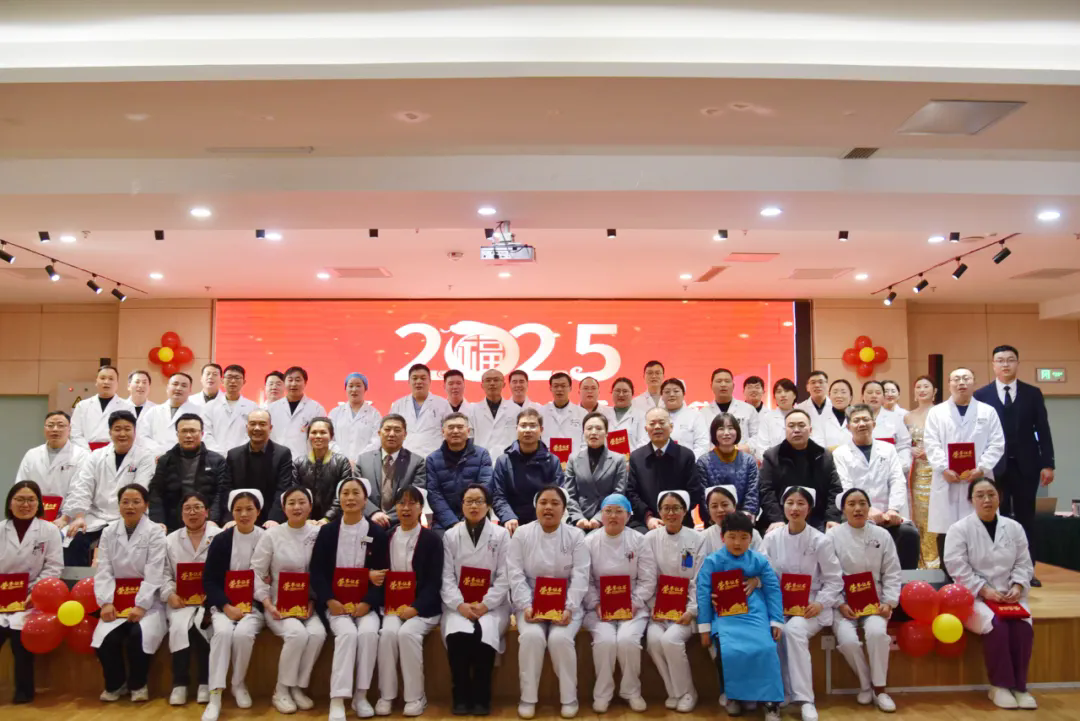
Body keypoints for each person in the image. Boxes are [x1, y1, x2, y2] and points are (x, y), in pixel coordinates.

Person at [943, 479, 1036, 710]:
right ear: (971, 500)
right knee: (997, 626)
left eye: (991, 495)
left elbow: (1024, 562)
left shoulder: (1014, 528)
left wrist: (1018, 586)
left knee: (1023, 628)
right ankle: (1000, 686)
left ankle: (1020, 687)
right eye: (980, 495)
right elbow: (956, 567)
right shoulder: (959, 529)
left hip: (1011, 596)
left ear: (999, 497)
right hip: (975, 598)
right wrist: (985, 590)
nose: (987, 500)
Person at [974, 345, 1055, 587]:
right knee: (995, 517)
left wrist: (1047, 463)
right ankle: (996, 571)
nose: (1005, 364)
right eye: (1000, 360)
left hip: (1026, 466)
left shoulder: (1032, 393)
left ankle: (1027, 571)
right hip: (993, 467)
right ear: (993, 365)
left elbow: (1043, 429)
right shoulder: (981, 395)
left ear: (1018, 363)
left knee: (1025, 518)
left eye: (1010, 360)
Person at [507, 486, 590, 719]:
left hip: (566, 604)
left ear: (564, 509)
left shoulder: (575, 536)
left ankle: (569, 697)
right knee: (531, 637)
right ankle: (528, 697)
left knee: (560, 639)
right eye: (543, 502)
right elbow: (515, 573)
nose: (548, 508)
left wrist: (570, 607)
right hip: (530, 602)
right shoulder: (522, 534)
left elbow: (581, 575)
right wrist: (526, 605)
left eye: (555, 503)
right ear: (536, 506)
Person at [761, 486, 843, 721]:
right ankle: (779, 694)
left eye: (801, 503)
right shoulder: (771, 538)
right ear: (783, 506)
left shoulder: (820, 541)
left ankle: (805, 699)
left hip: (810, 607)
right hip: (779, 605)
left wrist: (820, 603)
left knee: (794, 630)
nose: (794, 508)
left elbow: (834, 580)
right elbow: (764, 573)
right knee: (771, 632)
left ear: (810, 508)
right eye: (790, 502)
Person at [311, 478, 390, 721]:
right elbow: (317, 571)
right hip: (335, 604)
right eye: (345, 493)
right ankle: (338, 699)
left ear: (365, 500)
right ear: (340, 498)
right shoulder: (327, 532)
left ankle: (361, 695)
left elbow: (382, 575)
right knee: (347, 634)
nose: (350, 498)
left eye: (356, 493)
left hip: (366, 604)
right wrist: (329, 600)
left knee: (368, 633)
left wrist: (368, 602)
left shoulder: (377, 533)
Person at [696, 512, 784, 721]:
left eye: (744, 537)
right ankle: (734, 696)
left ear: (751, 538)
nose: (737, 542)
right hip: (725, 617)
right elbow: (703, 594)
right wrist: (704, 628)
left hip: (755, 614)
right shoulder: (712, 562)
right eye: (732, 536)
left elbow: (773, 590)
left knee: (766, 648)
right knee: (730, 651)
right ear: (722, 537)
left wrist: (776, 621)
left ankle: (770, 702)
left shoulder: (759, 561)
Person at [250, 485, 327, 714]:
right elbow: (256, 572)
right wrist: (267, 602)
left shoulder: (317, 535)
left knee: (317, 634)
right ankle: (281, 690)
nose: (297, 507)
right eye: (291, 503)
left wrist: (313, 601)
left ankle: (297, 687)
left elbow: (320, 572)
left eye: (302, 502)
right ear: (284, 508)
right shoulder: (272, 536)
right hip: (277, 604)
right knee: (296, 634)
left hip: (307, 604)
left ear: (310, 507)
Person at [91, 483, 168, 703]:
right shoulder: (109, 532)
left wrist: (141, 604)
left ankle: (138, 684)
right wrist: (106, 602)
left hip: (148, 602)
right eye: (125, 502)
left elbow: (155, 571)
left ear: (146, 505)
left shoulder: (155, 532)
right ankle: (115, 684)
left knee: (138, 636)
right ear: (119, 506)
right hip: (116, 600)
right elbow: (104, 569)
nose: (130, 506)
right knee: (106, 638)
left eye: (136, 502)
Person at [827, 488, 901, 713]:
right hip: (843, 603)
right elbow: (828, 575)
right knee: (848, 641)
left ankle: (880, 689)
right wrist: (840, 603)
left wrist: (889, 602)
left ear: (869, 507)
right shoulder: (832, 536)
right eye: (851, 504)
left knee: (877, 633)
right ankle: (866, 684)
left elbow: (892, 571)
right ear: (843, 509)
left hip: (874, 602)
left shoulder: (882, 535)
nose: (857, 508)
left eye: (862, 503)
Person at [439, 483, 511, 716]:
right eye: (468, 501)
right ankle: (460, 695)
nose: (474, 506)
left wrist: (486, 604)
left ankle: (482, 697)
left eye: (479, 501)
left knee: (483, 635)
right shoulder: (450, 535)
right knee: (457, 635)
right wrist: (459, 604)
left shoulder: (501, 535)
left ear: (488, 505)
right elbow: (446, 576)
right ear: (461, 505)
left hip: (492, 605)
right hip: (458, 604)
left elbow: (505, 576)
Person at [581, 493, 655, 713]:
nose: (613, 516)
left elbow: (648, 578)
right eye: (608, 511)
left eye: (618, 511)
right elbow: (584, 580)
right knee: (604, 641)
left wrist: (634, 603)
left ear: (629, 515)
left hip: (633, 606)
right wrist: (596, 604)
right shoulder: (589, 542)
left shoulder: (639, 540)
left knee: (627, 641)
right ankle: (602, 693)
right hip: (598, 608)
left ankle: (631, 691)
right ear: (601, 514)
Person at [924, 368, 1005, 562]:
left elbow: (997, 443)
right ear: (949, 384)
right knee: (947, 531)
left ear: (974, 383)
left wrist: (982, 468)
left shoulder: (987, 412)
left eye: (966, 378)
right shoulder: (936, 412)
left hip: (978, 478)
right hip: (947, 479)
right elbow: (931, 443)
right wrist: (943, 468)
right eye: (956, 379)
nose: (961, 382)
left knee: (980, 528)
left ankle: (983, 571)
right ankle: (947, 574)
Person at [376, 486, 443, 717]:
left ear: (421, 508)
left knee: (407, 634)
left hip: (423, 608)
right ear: (395, 507)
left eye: (412, 503)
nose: (406, 508)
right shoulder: (387, 537)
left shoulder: (432, 540)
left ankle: (415, 697)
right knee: (387, 634)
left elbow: (435, 582)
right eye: (401, 503)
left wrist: (416, 607)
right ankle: (386, 695)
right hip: (393, 607)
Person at [201, 489, 267, 721]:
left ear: (258, 512)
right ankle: (215, 695)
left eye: (249, 509)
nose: (244, 514)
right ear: (232, 513)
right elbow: (209, 579)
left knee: (243, 634)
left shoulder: (266, 538)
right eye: (238, 510)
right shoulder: (221, 540)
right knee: (222, 633)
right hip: (224, 605)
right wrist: (226, 606)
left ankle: (238, 684)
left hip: (255, 605)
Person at [832, 404, 921, 569]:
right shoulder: (840, 453)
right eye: (856, 420)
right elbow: (846, 487)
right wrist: (868, 510)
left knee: (909, 534)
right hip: (857, 517)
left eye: (866, 419)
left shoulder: (888, 449)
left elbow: (897, 480)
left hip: (888, 516)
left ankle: (905, 582)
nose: (861, 424)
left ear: (873, 424)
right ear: (848, 427)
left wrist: (893, 509)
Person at [62, 410, 156, 566]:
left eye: (127, 429)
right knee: (73, 540)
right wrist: (79, 516)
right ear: (110, 432)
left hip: (129, 516)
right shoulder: (96, 456)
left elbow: (139, 490)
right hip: (96, 516)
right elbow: (83, 487)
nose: (122, 433)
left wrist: (126, 519)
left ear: (135, 432)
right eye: (117, 429)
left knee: (122, 546)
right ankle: (80, 581)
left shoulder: (145, 457)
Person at [0, 481, 64, 704]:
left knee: (22, 638)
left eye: (31, 500)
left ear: (39, 504)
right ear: (10, 503)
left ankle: (24, 690)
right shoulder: (0, 529)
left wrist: (36, 593)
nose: (25, 504)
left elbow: (54, 567)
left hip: (34, 597)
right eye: (20, 499)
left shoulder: (50, 531)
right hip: (2, 596)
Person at [644, 490, 704, 712]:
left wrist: (692, 610)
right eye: (666, 508)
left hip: (687, 609)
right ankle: (673, 691)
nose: (671, 513)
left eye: (676, 508)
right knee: (653, 640)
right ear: (659, 512)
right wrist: (653, 607)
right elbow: (648, 577)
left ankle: (688, 693)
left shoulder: (697, 539)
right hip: (658, 609)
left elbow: (699, 579)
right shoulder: (650, 539)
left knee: (671, 640)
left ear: (685, 511)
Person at [162, 491, 222, 705]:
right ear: (181, 514)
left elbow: (227, 570)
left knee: (204, 626)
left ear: (207, 512)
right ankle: (180, 683)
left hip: (211, 601)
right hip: (181, 601)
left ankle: (206, 682)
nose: (192, 512)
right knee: (181, 627)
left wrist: (214, 595)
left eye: (197, 507)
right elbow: (164, 573)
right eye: (187, 508)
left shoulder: (220, 536)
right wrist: (169, 594)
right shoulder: (170, 540)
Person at [758, 410, 843, 534]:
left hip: (817, 518)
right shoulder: (772, 456)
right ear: (785, 430)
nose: (796, 430)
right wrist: (776, 519)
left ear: (810, 430)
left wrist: (832, 518)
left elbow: (834, 489)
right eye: (791, 426)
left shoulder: (824, 455)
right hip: (782, 518)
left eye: (801, 425)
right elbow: (766, 491)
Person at [626, 407, 704, 532]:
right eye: (652, 424)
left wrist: (674, 514)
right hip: (646, 522)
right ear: (646, 429)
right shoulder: (636, 457)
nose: (657, 427)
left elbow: (694, 491)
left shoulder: (686, 455)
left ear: (671, 427)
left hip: (680, 520)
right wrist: (648, 517)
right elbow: (632, 493)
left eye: (662, 422)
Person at [148, 413, 230, 532]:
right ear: (177, 434)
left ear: (202, 434)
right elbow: (156, 494)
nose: (188, 435)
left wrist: (213, 519)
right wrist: (158, 521)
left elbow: (221, 493)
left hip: (208, 523)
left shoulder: (217, 461)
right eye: (184, 431)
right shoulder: (165, 460)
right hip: (173, 525)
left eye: (193, 431)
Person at [492, 408, 564, 532]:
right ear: (516, 429)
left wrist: (543, 520)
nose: (527, 430)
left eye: (532, 426)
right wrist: (508, 517)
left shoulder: (553, 461)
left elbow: (558, 496)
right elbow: (498, 495)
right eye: (523, 426)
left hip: (544, 524)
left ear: (541, 430)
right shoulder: (503, 461)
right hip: (512, 525)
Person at [224, 409, 296, 527]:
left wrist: (274, 519)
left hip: (270, 519)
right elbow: (227, 489)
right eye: (252, 424)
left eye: (262, 424)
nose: (257, 428)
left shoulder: (282, 454)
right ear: (247, 427)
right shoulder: (233, 455)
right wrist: (231, 518)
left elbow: (283, 489)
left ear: (270, 428)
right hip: (240, 517)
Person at [14, 410, 89, 520]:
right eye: (50, 425)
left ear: (69, 429)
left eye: (60, 425)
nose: (55, 429)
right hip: (34, 514)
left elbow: (80, 489)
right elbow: (21, 485)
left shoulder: (81, 455)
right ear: (44, 429)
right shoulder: (32, 454)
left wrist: (66, 517)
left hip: (67, 517)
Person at [425, 413, 493, 531]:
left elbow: (485, 487)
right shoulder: (432, 459)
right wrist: (453, 522)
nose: (455, 431)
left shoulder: (482, 455)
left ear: (468, 431)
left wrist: (467, 521)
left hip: (476, 517)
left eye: (460, 427)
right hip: (444, 522)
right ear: (443, 432)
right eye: (451, 427)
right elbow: (434, 495)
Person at [357, 415, 427, 528]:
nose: (392, 434)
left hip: (403, 524)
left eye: (397, 430)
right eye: (387, 429)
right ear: (379, 433)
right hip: (368, 522)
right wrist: (373, 513)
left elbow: (416, 496)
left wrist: (387, 519)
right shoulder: (363, 460)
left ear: (405, 435)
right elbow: (357, 492)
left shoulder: (417, 462)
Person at [564, 412, 628, 531]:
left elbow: (618, 493)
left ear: (607, 433)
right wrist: (578, 518)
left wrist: (599, 518)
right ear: (583, 432)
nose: (593, 432)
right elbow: (569, 494)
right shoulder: (573, 459)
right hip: (578, 520)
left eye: (599, 428)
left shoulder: (618, 460)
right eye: (589, 428)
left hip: (608, 518)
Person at [286, 417, 352, 523]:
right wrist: (306, 519)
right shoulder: (298, 462)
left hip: (334, 522)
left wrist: (327, 519)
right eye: (314, 432)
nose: (318, 436)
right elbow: (295, 494)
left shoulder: (342, 462)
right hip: (304, 521)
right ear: (308, 436)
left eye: (323, 432)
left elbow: (343, 494)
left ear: (331, 436)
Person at [905, 375, 940, 567]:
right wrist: (910, 449)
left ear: (934, 391)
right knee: (919, 514)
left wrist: (932, 453)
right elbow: (902, 443)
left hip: (938, 469)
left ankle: (936, 560)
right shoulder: (907, 416)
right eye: (918, 386)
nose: (922, 390)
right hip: (917, 470)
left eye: (926, 386)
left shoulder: (942, 413)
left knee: (937, 513)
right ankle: (922, 562)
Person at [697, 414, 760, 518]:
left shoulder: (749, 461)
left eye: (730, 428)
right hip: (714, 520)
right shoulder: (703, 462)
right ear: (714, 433)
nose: (726, 433)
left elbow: (752, 492)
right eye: (721, 429)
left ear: (737, 432)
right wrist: (714, 518)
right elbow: (703, 496)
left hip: (743, 520)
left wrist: (746, 515)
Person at [139, 372, 214, 457]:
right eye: (175, 384)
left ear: (190, 390)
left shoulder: (200, 412)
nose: (179, 388)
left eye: (184, 385)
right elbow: (143, 436)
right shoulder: (153, 411)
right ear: (167, 387)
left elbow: (205, 437)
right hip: (156, 457)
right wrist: (159, 451)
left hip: (188, 459)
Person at [389, 363, 453, 458]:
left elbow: (450, 431)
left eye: (423, 378)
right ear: (408, 382)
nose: (418, 381)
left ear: (430, 381)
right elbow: (390, 433)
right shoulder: (398, 405)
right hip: (404, 459)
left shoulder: (442, 404)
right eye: (414, 378)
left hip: (434, 458)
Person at [268, 366, 328, 460]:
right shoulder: (272, 408)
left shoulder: (316, 409)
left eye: (297, 380)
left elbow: (323, 437)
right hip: (276, 460)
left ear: (305, 383)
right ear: (284, 383)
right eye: (290, 380)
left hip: (306, 461)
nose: (293, 384)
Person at [71, 365, 135, 450]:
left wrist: (111, 451)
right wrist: (87, 451)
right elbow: (75, 433)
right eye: (102, 378)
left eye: (111, 379)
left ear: (117, 383)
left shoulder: (127, 406)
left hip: (116, 451)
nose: (106, 382)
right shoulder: (82, 406)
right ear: (96, 382)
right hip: (86, 451)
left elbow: (131, 433)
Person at [203, 364, 259, 455]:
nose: (233, 381)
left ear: (244, 382)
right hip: (215, 456)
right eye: (229, 377)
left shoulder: (253, 407)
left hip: (243, 455)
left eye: (237, 378)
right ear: (222, 381)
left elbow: (253, 433)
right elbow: (206, 433)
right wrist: (218, 453)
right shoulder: (209, 406)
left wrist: (238, 453)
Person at [468, 369, 520, 465]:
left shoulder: (515, 409)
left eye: (496, 380)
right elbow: (469, 439)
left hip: (509, 461)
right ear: (482, 385)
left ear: (504, 384)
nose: (492, 383)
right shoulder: (472, 409)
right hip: (481, 462)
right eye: (488, 380)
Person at [861, 380, 913, 474]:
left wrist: (898, 467)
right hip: (861, 473)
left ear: (883, 397)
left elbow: (904, 446)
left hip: (890, 473)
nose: (874, 396)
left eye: (878, 393)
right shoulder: (854, 419)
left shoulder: (895, 418)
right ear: (862, 396)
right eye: (869, 392)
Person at [328, 372, 382, 461]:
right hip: (339, 462)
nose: (354, 389)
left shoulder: (374, 414)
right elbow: (329, 440)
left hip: (365, 462)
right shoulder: (334, 413)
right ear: (346, 389)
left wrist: (359, 460)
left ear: (365, 389)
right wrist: (344, 460)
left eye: (358, 386)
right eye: (350, 386)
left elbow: (376, 441)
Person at [699, 368, 760, 444]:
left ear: (733, 386)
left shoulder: (748, 409)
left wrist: (746, 448)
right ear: (711, 386)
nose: (723, 384)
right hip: (712, 451)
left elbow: (757, 436)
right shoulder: (702, 414)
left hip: (742, 451)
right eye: (719, 381)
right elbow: (700, 440)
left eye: (727, 381)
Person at [698, 485, 762, 557]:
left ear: (734, 506)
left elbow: (761, 559)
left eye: (725, 505)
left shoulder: (752, 534)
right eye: (714, 506)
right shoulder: (703, 537)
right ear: (708, 510)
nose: (720, 510)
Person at [659, 378, 710, 458]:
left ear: (683, 394)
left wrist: (688, 462)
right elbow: (646, 442)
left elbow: (702, 445)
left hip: (689, 463)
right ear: (661, 396)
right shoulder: (655, 416)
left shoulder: (695, 416)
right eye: (667, 392)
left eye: (676, 391)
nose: (671, 394)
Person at [541, 372, 588, 458]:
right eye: (556, 386)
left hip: (575, 461)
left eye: (563, 386)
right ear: (550, 388)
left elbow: (586, 440)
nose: (559, 389)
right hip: (547, 460)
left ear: (570, 388)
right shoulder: (541, 412)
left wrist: (578, 458)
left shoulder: (582, 413)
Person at [753, 378, 798, 461]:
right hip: (774, 464)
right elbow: (761, 447)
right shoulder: (767, 418)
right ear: (774, 397)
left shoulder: (802, 416)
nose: (783, 395)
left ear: (794, 395)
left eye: (787, 391)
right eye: (779, 392)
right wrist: (774, 463)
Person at [809, 378, 852, 449]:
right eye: (835, 392)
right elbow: (818, 444)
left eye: (843, 392)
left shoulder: (857, 418)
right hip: (828, 456)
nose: (839, 396)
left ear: (851, 397)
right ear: (829, 396)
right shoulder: (819, 419)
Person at [608, 377, 647, 451]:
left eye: (625, 391)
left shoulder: (641, 416)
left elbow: (644, 442)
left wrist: (631, 456)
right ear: (612, 393)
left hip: (632, 457)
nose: (621, 394)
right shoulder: (604, 415)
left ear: (632, 394)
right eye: (617, 391)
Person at [794, 371, 830, 440]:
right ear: (807, 387)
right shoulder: (799, 409)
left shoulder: (836, 407)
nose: (817, 385)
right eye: (813, 382)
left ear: (827, 386)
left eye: (821, 382)